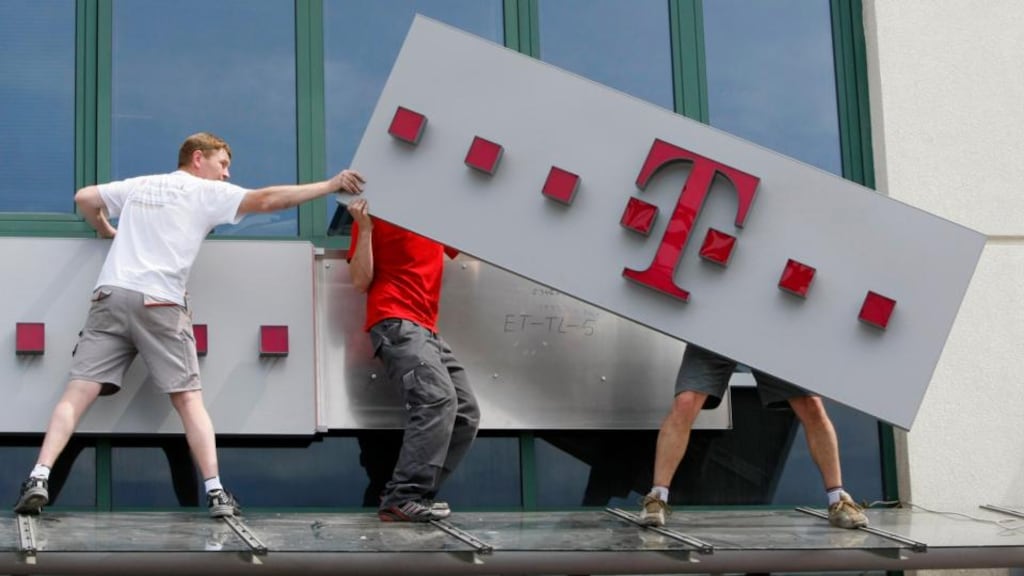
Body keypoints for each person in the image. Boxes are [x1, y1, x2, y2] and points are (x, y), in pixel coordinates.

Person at [13, 132, 365, 518]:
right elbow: (267, 199)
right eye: (223, 164)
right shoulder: (203, 191)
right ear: (198, 158)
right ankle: (215, 492)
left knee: (76, 394)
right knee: (188, 400)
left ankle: (39, 476)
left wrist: (103, 228)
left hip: (110, 295)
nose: (227, 175)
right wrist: (331, 185)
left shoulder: (142, 185)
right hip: (161, 301)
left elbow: (84, 199)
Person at [346, 197, 480, 522]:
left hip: (427, 329)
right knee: (436, 400)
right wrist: (364, 229)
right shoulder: (373, 213)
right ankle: (402, 495)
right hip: (396, 321)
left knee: (465, 412)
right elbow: (360, 281)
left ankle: (414, 494)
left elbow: (472, 258)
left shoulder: (435, 212)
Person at [639, 344, 869, 529]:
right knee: (685, 402)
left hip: (772, 331)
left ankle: (838, 500)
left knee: (812, 405)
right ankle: (657, 498)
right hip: (717, 325)